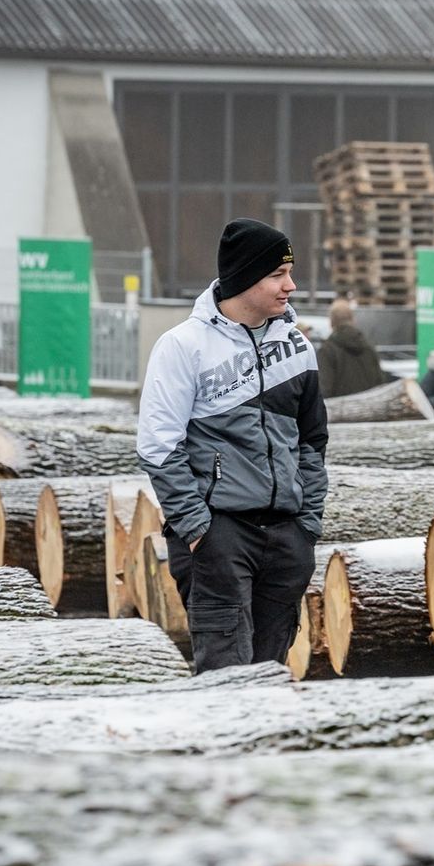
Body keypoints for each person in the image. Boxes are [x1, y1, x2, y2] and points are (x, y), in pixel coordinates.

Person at [137, 218, 328, 673]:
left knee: (271, 671)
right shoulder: (183, 346)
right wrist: (199, 529)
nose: (291, 286)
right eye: (278, 275)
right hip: (219, 534)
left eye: (289, 273)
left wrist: (307, 523)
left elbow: (312, 439)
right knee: (225, 674)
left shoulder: (296, 346)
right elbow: (158, 446)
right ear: (244, 278)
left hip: (286, 537)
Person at [316, 298, 388, 399]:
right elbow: (380, 385)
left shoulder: (327, 351)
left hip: (341, 412)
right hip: (370, 410)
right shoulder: (369, 348)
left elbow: (324, 390)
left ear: (331, 322)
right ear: (353, 320)